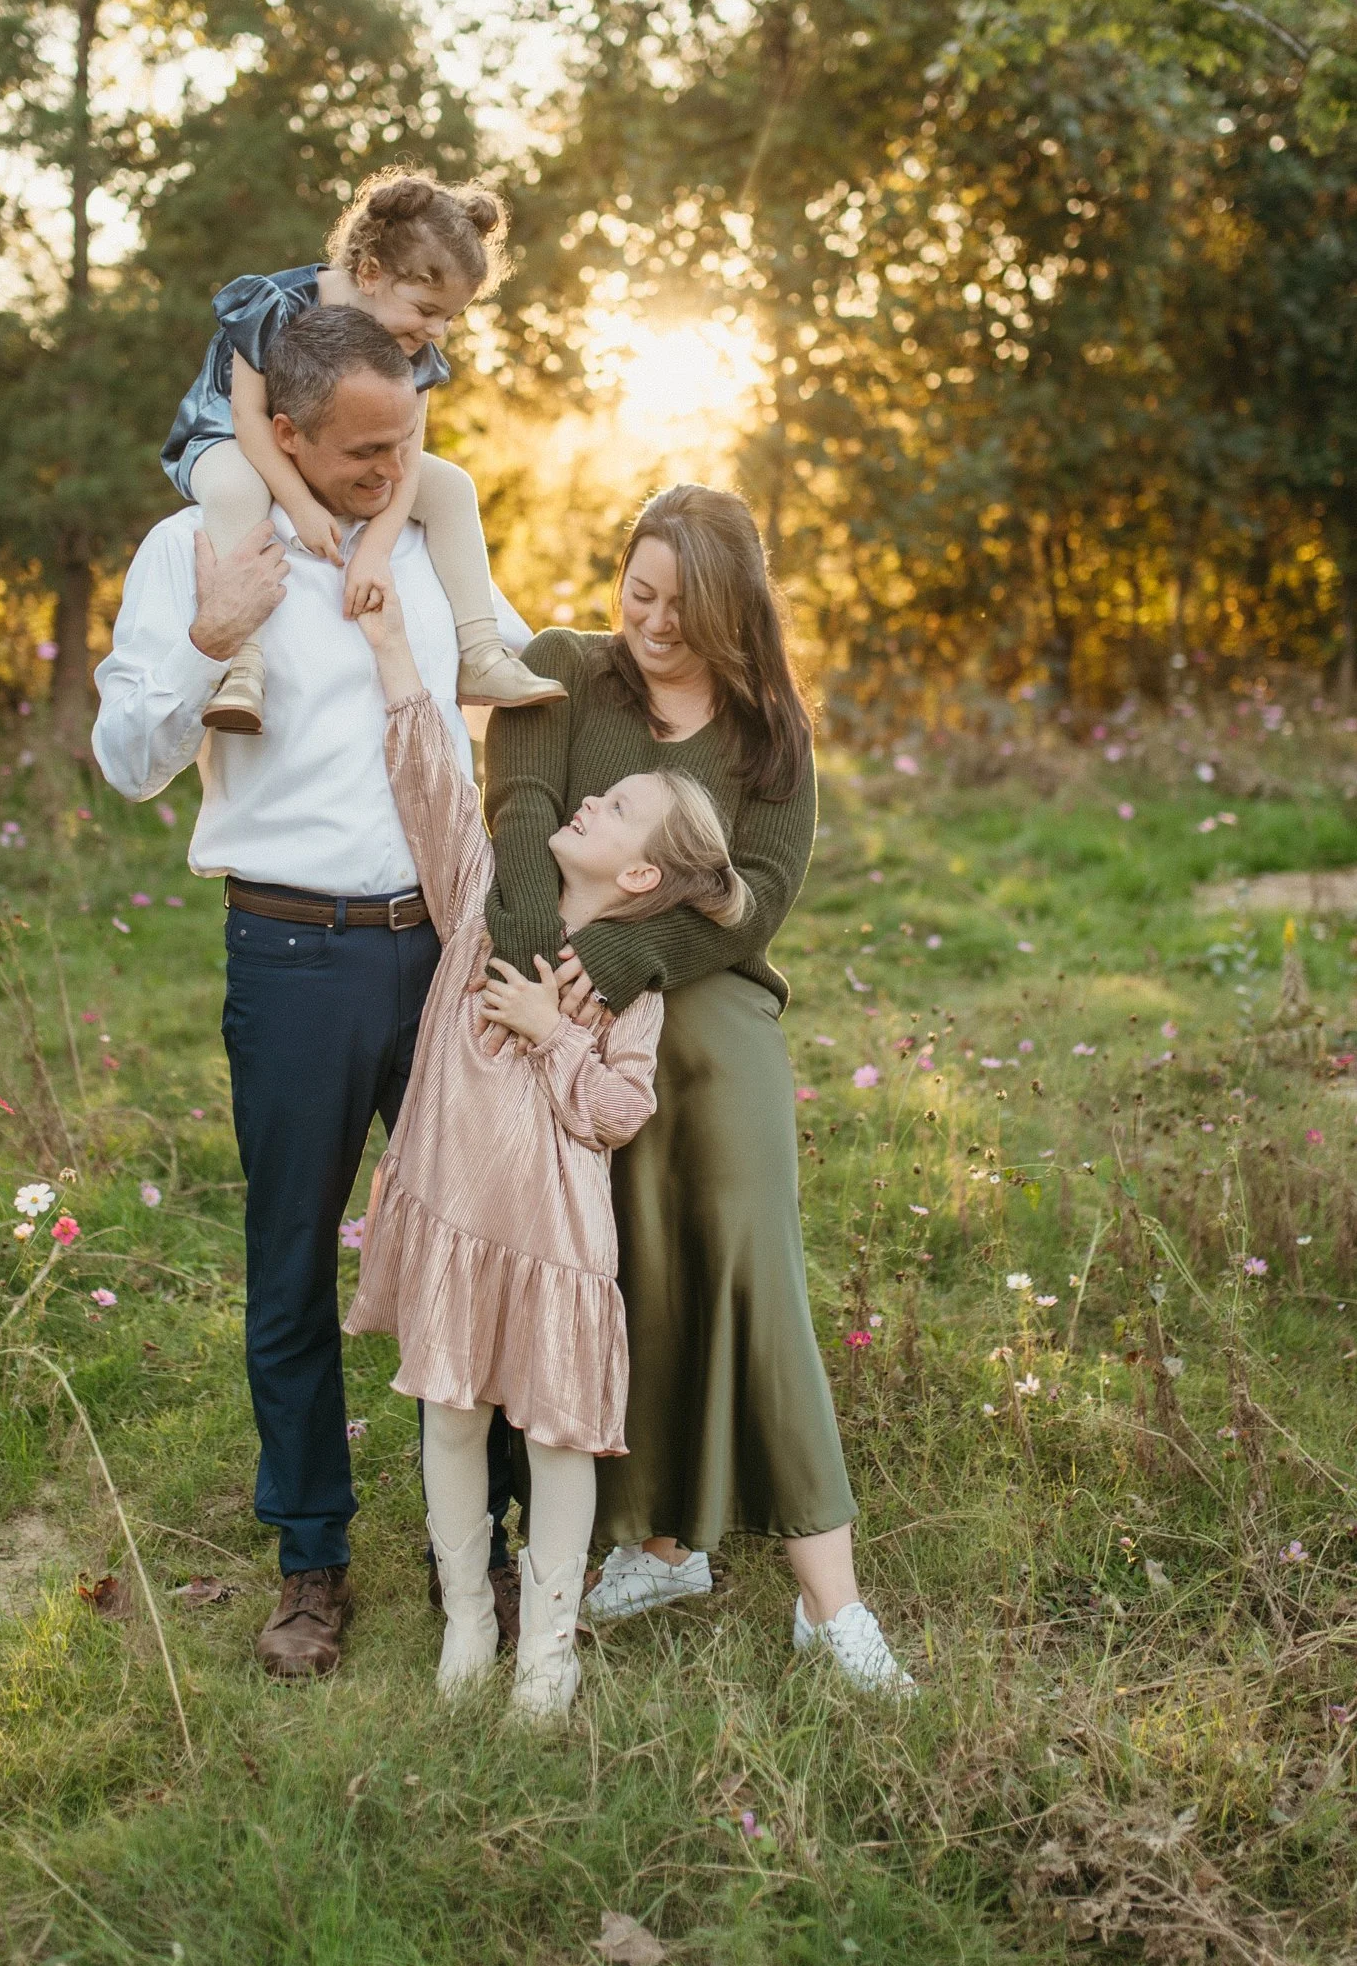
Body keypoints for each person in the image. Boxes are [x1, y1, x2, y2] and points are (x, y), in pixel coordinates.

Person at [94, 303, 525, 1679]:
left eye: (405, 439)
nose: (388, 466)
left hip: (444, 952)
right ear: (277, 434)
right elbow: (123, 757)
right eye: (358, 450)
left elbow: (507, 683)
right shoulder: (193, 549)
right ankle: (309, 1563)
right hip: (288, 957)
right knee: (288, 1268)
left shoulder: (421, 528)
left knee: (482, 1246)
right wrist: (202, 637)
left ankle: (495, 1548)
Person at [484, 485, 913, 1695]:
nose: (655, 621)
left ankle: (831, 1610)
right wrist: (544, 968)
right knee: (619, 1265)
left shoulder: (769, 732)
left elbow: (758, 897)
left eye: (684, 604)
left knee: (739, 1251)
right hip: (552, 1011)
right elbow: (517, 815)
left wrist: (626, 958)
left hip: (708, 1007)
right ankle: (662, 1546)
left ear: (735, 610)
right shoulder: (560, 669)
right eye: (641, 588)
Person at [343, 573, 751, 1718]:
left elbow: (620, 1112)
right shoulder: (486, 901)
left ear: (635, 876)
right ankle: (468, 1621)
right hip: (457, 1213)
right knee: (454, 1416)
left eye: (613, 808)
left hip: (557, 1248)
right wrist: (389, 649)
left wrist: (547, 1036)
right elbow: (433, 788)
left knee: (561, 1443)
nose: (584, 802)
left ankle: (548, 1651)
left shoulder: (625, 988)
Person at [160, 168, 564, 733]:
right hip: (228, 435)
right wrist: (300, 506)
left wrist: (374, 549)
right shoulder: (275, 305)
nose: (439, 331)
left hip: (332, 449)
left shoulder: (410, 344)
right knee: (235, 488)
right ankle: (243, 669)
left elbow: (406, 459)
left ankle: (480, 650)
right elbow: (247, 419)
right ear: (370, 272)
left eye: (450, 317)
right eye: (427, 310)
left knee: (451, 485)